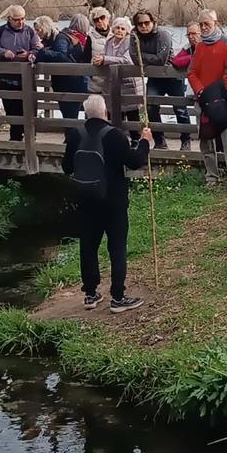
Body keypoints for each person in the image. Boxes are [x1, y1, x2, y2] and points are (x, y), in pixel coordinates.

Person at [62, 94, 154, 313]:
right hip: (113, 202)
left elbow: (67, 167)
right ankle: (118, 298)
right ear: (105, 112)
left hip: (86, 200)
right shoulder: (115, 135)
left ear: (86, 113)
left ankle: (91, 294)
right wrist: (145, 142)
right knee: (117, 247)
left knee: (88, 246)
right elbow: (134, 162)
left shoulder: (75, 135)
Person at [188, 9, 227, 189]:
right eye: (202, 24)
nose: (204, 27)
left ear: (216, 23)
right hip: (203, 99)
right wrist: (200, 91)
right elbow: (191, 72)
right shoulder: (199, 47)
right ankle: (211, 177)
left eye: (207, 24)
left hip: (221, 99)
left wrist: (216, 92)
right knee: (206, 141)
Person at [131, 10, 189, 151]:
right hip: (155, 78)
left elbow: (161, 59)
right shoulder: (134, 37)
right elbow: (134, 57)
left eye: (147, 23)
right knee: (150, 107)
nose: (144, 26)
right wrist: (149, 59)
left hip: (172, 76)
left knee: (180, 108)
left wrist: (144, 57)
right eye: (140, 24)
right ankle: (160, 141)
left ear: (153, 22)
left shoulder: (163, 35)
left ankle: (186, 141)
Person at [0, 4, 43, 142]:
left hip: (26, 78)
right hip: (6, 77)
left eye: (23, 18)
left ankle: (31, 137)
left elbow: (38, 49)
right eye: (17, 19)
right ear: (9, 19)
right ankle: (15, 138)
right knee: (12, 110)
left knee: (29, 109)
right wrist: (3, 52)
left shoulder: (30, 31)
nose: (21, 22)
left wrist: (29, 54)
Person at [37, 12, 93, 135]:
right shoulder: (68, 37)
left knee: (76, 115)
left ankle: (78, 139)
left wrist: (42, 52)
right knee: (72, 115)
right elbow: (61, 55)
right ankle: (74, 140)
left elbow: (61, 56)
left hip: (76, 81)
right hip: (70, 81)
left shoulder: (81, 38)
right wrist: (42, 52)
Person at [86, 7, 113, 95]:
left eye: (102, 18)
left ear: (108, 18)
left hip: (113, 79)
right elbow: (86, 58)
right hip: (96, 81)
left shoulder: (116, 34)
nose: (100, 21)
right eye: (96, 20)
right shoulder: (90, 37)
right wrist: (90, 75)